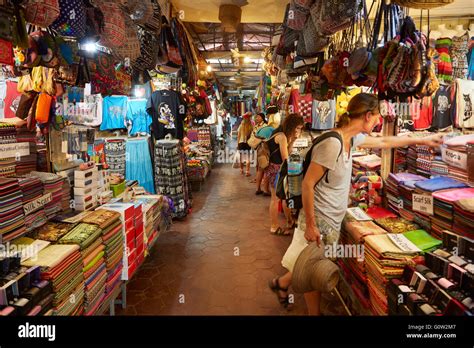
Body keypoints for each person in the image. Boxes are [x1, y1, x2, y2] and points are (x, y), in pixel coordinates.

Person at [268, 93, 444, 314]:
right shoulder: (333, 143)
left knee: (308, 263)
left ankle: (281, 284)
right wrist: (311, 224)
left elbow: (384, 141)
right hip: (319, 220)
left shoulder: (352, 139)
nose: (379, 122)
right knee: (311, 269)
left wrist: (421, 139)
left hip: (331, 220)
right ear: (368, 115)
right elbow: (307, 185)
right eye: (377, 117)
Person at [265, 113, 305, 236]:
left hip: (274, 168)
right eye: (297, 128)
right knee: (276, 198)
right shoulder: (281, 136)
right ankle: (274, 226)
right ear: (292, 126)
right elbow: (285, 158)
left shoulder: (279, 133)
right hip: (277, 169)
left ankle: (289, 221)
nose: (298, 130)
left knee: (282, 196)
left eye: (300, 128)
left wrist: (292, 141)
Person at [253, 113, 270, 195]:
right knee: (264, 169)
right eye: (256, 117)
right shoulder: (266, 127)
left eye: (258, 117)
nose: (256, 118)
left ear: (262, 118)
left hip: (261, 149)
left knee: (261, 169)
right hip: (263, 149)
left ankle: (260, 189)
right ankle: (264, 190)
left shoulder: (264, 126)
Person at [237, 112, 253, 176]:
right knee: (247, 158)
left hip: (241, 143)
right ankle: (247, 172)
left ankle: (241, 170)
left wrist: (237, 144)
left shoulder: (241, 126)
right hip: (247, 143)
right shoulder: (251, 126)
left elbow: (238, 136)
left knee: (241, 157)